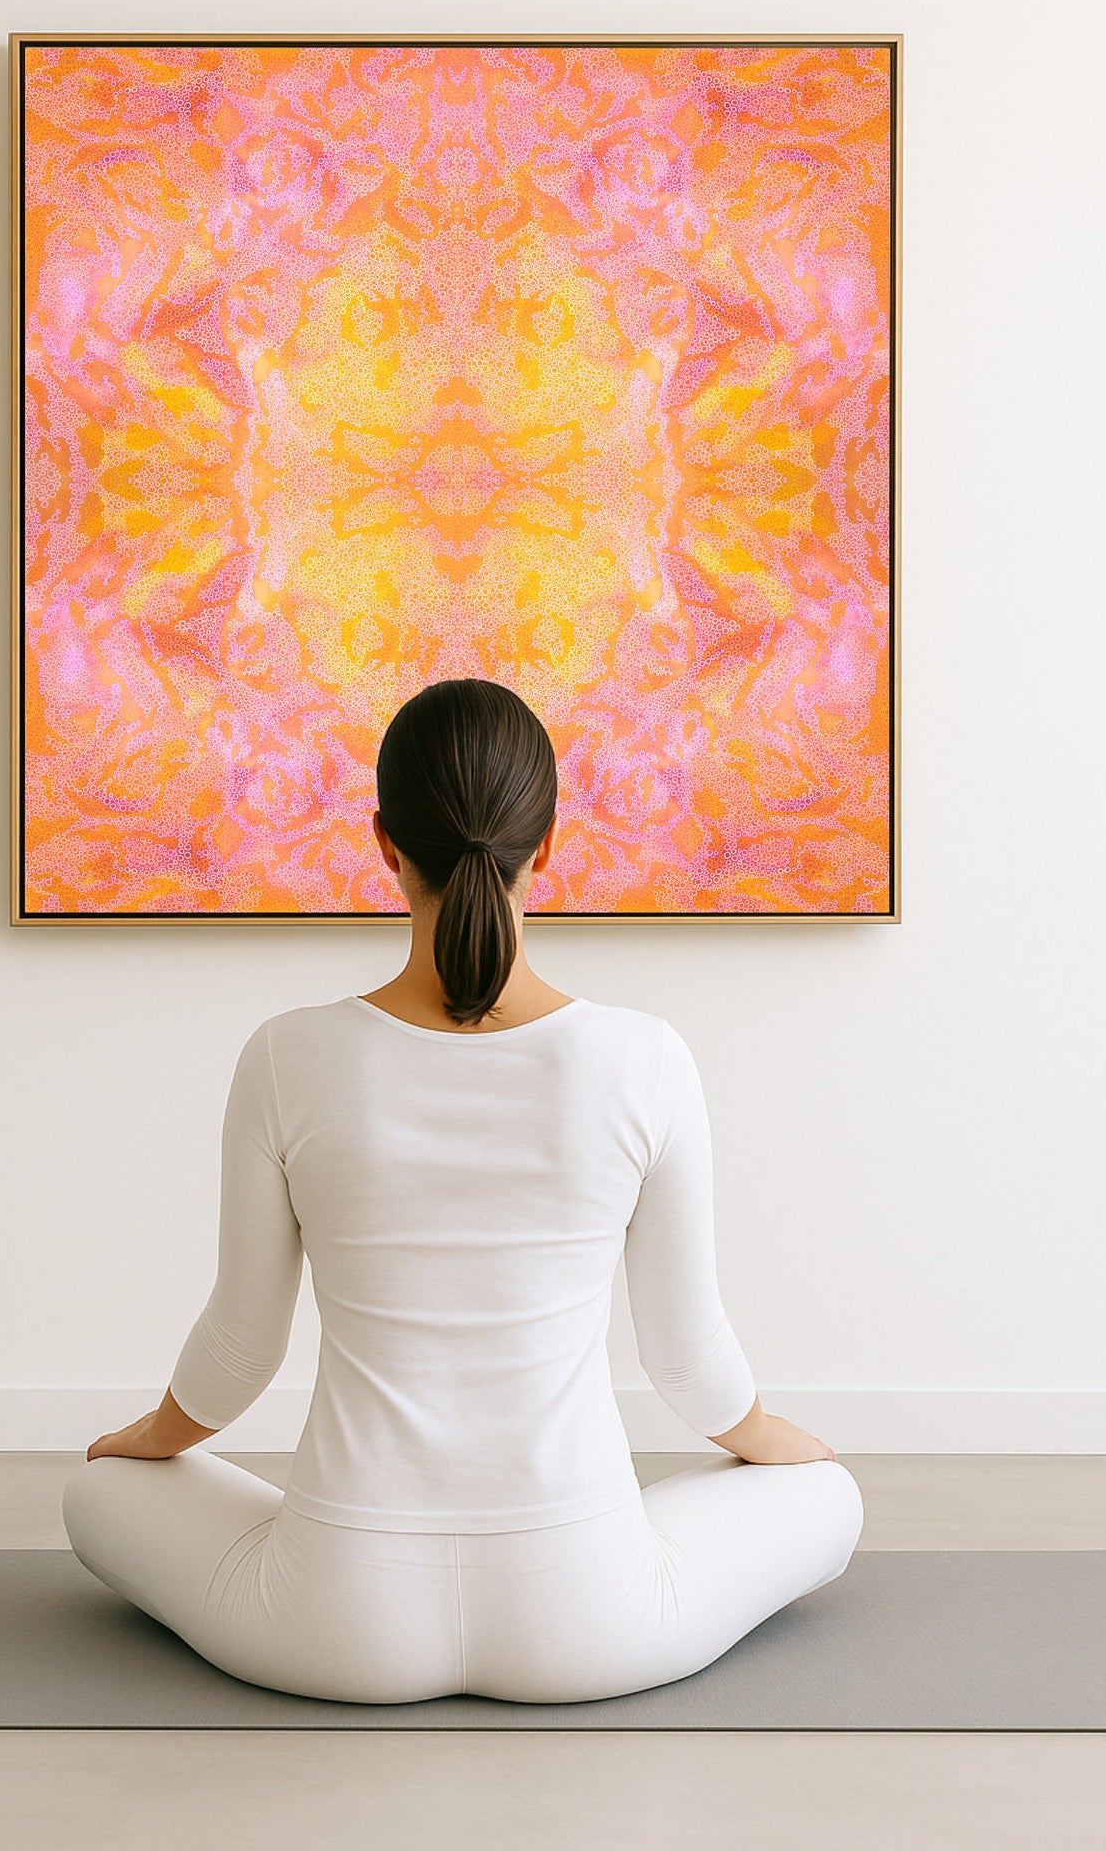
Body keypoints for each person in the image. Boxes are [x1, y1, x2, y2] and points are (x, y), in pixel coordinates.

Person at [62, 678, 863, 1704]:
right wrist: (770, 1448)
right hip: (589, 1618)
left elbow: (237, 1355)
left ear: (384, 844)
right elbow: (687, 1364)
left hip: (329, 1623)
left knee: (96, 1492)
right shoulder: (642, 1059)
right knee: (825, 1495)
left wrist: (147, 1442)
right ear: (547, 846)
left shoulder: (286, 1057)